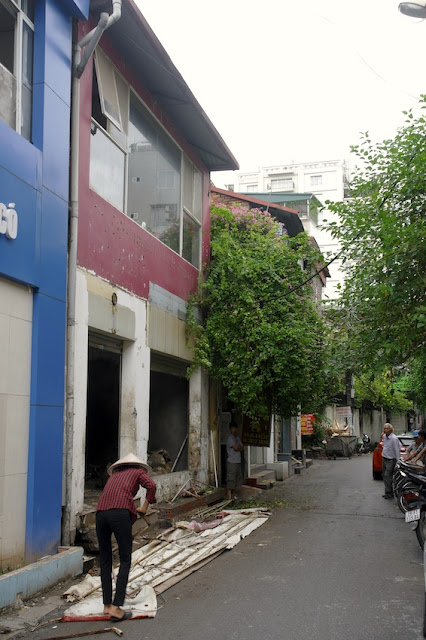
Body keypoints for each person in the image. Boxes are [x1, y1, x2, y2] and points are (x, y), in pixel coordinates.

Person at [96, 453, 157, 621]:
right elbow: (151, 485)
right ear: (138, 466)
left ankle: (107, 605)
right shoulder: (137, 472)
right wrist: (145, 506)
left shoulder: (115, 476)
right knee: (125, 559)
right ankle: (116, 608)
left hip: (101, 514)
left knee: (105, 560)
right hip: (119, 513)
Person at [381, 423, 400, 499]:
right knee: (384, 475)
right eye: (384, 429)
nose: (385, 430)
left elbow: (397, 450)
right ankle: (387, 492)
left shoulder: (394, 438)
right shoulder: (384, 436)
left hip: (391, 460)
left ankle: (390, 493)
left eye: (387, 429)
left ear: (391, 430)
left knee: (387, 475)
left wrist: (398, 461)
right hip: (384, 458)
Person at [226, 421, 244, 500]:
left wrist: (238, 447)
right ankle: (229, 495)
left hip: (237, 461)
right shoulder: (230, 438)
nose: (234, 430)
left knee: (237, 479)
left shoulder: (237, 438)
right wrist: (238, 447)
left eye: (235, 428)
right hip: (231, 461)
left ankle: (234, 494)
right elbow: (236, 448)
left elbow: (242, 447)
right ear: (230, 429)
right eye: (233, 428)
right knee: (231, 478)